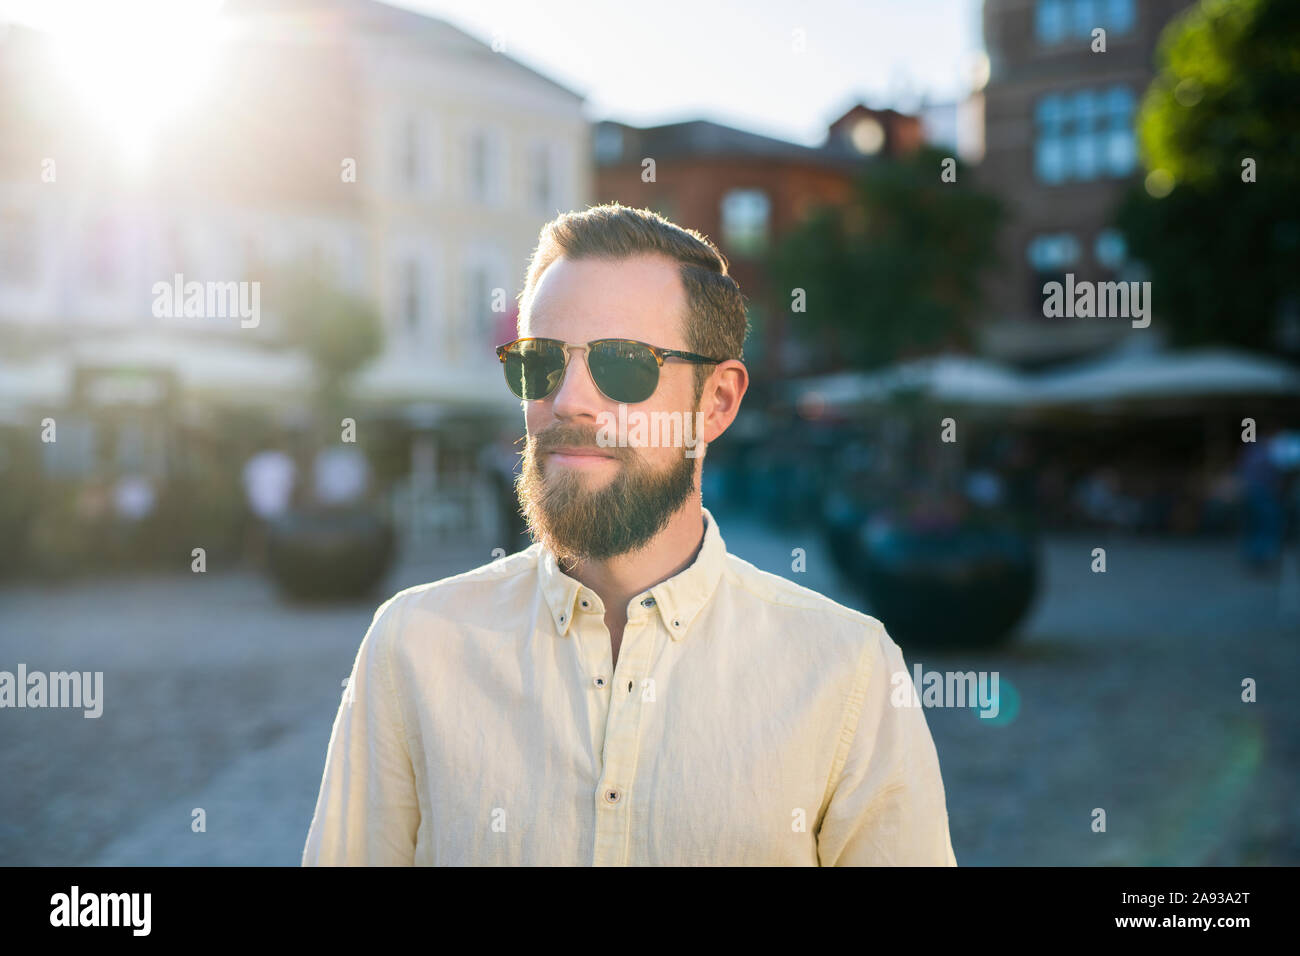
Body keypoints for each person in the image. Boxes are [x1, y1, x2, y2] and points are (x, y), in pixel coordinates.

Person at [302, 203, 956, 866]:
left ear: (718, 402)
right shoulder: (415, 645)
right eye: (540, 363)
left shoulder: (845, 671)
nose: (567, 400)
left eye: (623, 364)